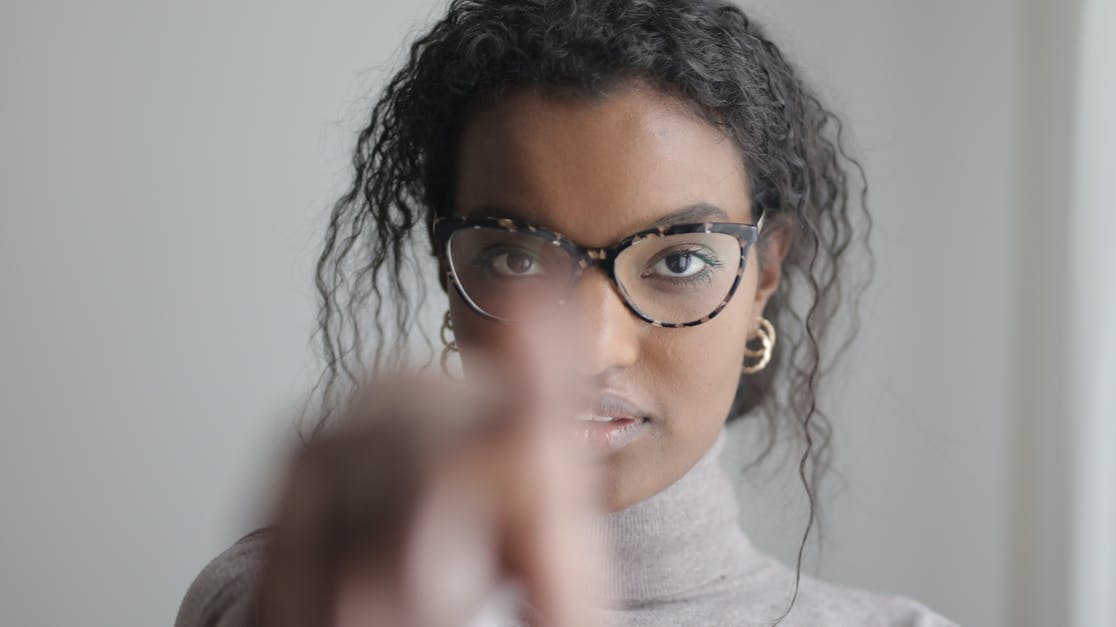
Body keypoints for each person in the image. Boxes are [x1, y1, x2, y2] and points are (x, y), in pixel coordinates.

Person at [175, 1, 958, 625]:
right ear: (449, 270)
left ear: (765, 274)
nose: (592, 348)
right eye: (517, 258)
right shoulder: (279, 601)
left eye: (679, 260)